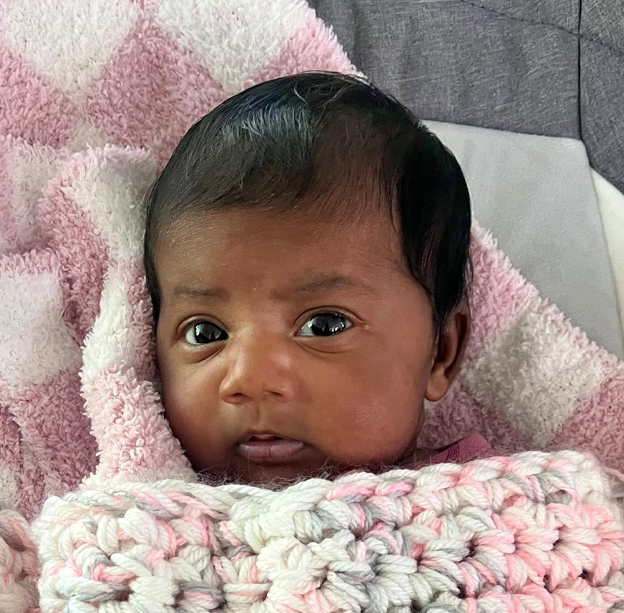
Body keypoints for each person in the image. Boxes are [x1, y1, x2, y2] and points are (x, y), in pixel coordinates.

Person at [143, 71, 491, 488]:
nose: (251, 379)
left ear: (441, 353)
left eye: (324, 326)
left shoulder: (489, 503)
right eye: (205, 332)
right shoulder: (152, 515)